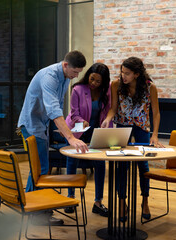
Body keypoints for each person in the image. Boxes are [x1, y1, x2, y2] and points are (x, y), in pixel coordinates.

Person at [17, 50, 89, 225]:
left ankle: (30, 209)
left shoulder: (64, 78)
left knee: (40, 169)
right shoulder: (50, 76)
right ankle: (38, 214)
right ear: (65, 65)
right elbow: (54, 110)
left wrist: (67, 129)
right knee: (40, 170)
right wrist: (70, 138)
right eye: (74, 72)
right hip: (32, 125)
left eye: (79, 73)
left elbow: (57, 107)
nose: (75, 76)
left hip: (42, 125)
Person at [101, 56, 164, 221]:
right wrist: (107, 119)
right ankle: (122, 202)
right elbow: (113, 109)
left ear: (137, 74)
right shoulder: (115, 85)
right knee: (121, 166)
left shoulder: (150, 88)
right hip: (122, 126)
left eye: (127, 73)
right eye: (122, 72)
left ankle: (145, 200)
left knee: (143, 164)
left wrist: (155, 135)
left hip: (142, 127)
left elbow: (156, 113)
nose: (123, 76)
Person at [64, 63, 112, 217]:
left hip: (96, 132)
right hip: (77, 131)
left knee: (100, 163)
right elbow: (74, 113)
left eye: (98, 82)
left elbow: (109, 110)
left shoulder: (107, 90)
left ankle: (98, 202)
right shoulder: (78, 89)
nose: (94, 84)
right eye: (92, 79)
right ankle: (70, 198)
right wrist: (81, 120)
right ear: (88, 76)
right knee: (72, 162)